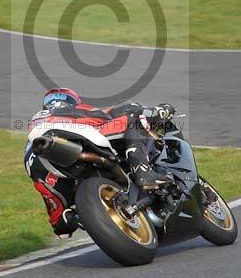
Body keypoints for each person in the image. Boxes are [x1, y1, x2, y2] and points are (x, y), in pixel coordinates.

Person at [23, 88, 174, 237]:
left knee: (59, 222)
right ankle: (143, 171)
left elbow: (59, 226)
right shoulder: (74, 110)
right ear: (71, 101)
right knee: (133, 116)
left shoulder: (34, 137)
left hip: (45, 167)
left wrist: (70, 220)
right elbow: (115, 112)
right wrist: (160, 111)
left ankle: (77, 216)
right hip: (74, 142)